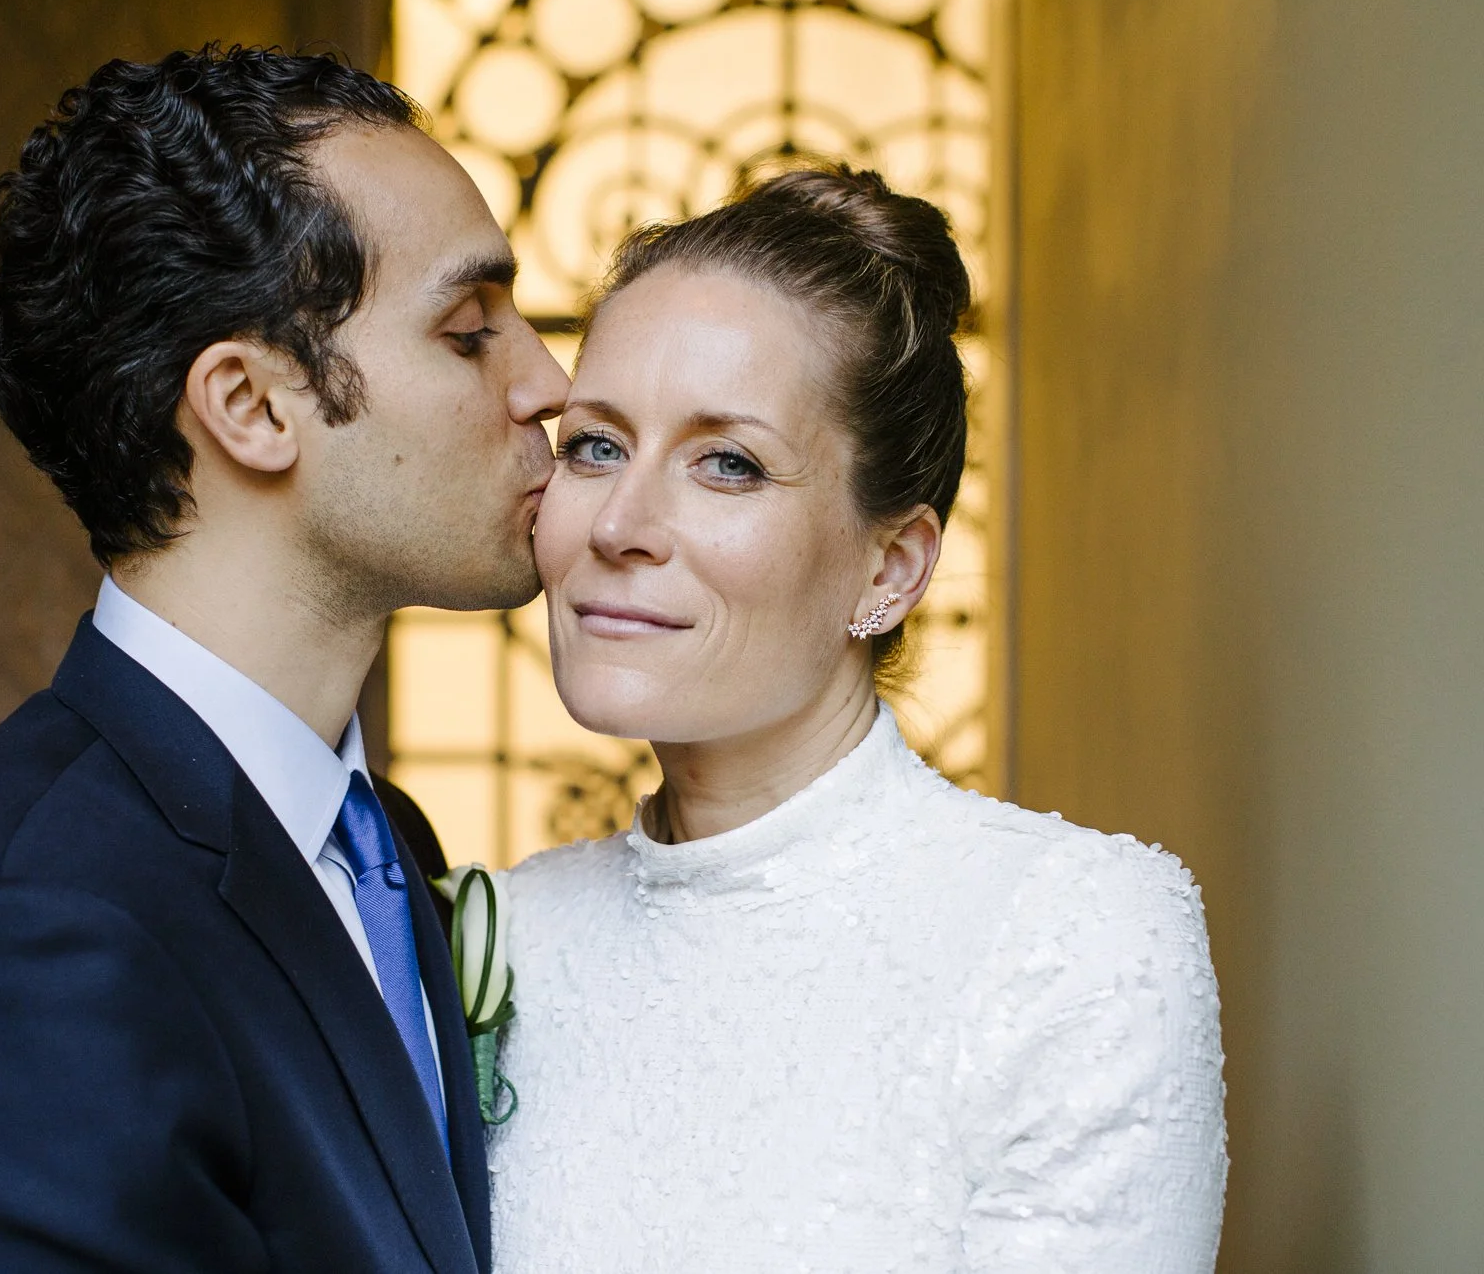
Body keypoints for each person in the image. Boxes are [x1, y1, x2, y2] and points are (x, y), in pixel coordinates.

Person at [0, 46, 567, 1272]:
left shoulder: (378, 846)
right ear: (252, 406)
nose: (549, 382)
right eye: (470, 331)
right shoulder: (32, 942)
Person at [488, 164, 1228, 1271]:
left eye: (726, 464)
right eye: (595, 444)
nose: (620, 523)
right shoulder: (497, 937)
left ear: (887, 568)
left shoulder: (1068, 938)